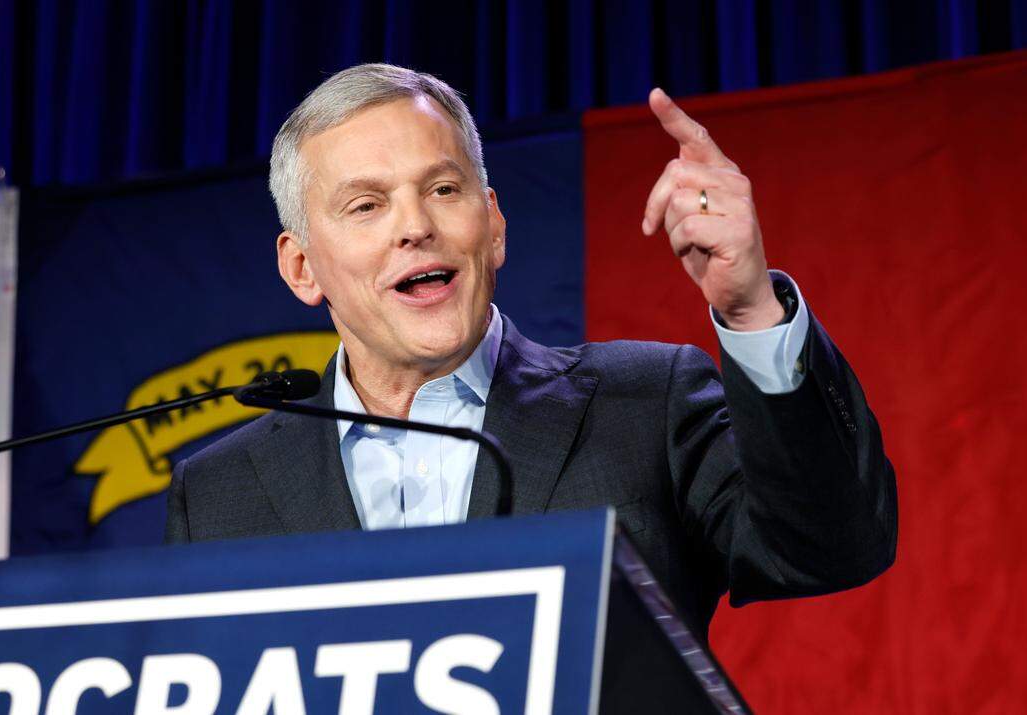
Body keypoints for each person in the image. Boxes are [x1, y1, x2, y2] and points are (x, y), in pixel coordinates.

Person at [165, 64, 897, 637]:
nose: (415, 226)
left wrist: (749, 308)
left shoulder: (644, 403)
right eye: (367, 205)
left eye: (444, 188)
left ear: (493, 226)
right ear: (302, 268)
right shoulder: (219, 495)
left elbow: (831, 545)